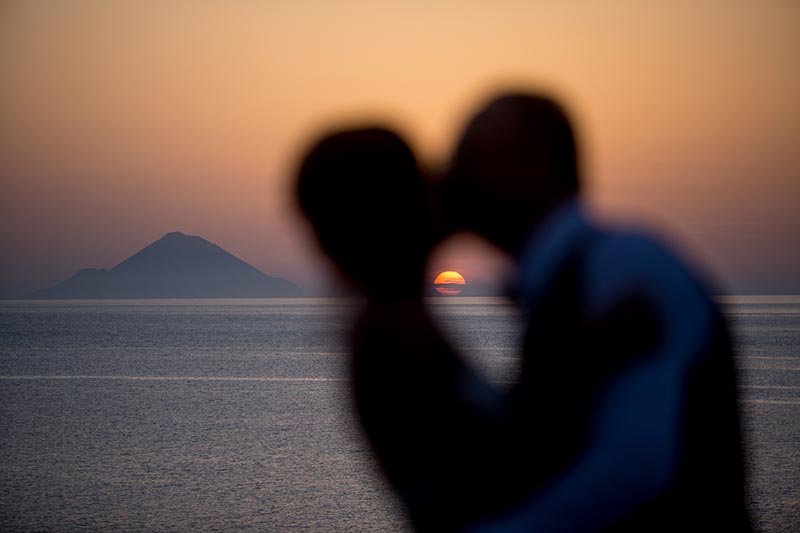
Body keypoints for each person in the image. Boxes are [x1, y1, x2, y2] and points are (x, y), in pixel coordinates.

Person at [446, 92, 751, 531]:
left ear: (537, 164)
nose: (455, 177)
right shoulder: (556, 285)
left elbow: (636, 468)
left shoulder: (626, 267)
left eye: (474, 158)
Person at [295, 127, 515, 530]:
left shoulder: (394, 318)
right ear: (402, 213)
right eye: (423, 184)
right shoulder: (394, 337)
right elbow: (506, 463)